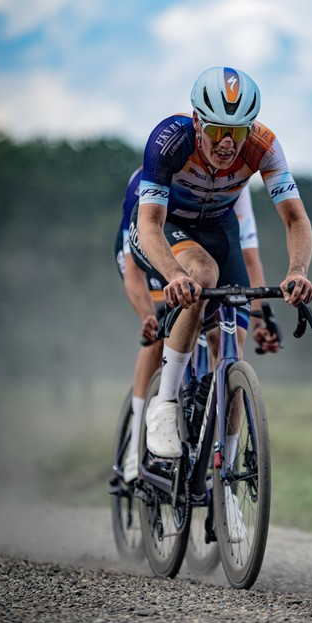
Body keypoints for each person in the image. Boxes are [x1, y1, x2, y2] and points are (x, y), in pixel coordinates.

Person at [129, 66, 312, 473]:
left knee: (233, 343)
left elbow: (295, 219)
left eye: (238, 131)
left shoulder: (263, 146)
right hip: (166, 227)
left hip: (217, 229)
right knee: (202, 275)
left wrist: (298, 270)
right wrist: (174, 275)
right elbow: (150, 223)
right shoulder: (169, 140)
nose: (227, 143)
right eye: (216, 131)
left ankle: (224, 472)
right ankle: (164, 405)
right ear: (197, 122)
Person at [115, 170, 280, 484]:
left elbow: (249, 258)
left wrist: (259, 317)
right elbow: (133, 268)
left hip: (206, 244)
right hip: (153, 246)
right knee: (158, 335)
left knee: (222, 326)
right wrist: (147, 316)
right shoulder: (148, 180)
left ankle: (219, 468)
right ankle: (136, 446)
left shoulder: (237, 188)